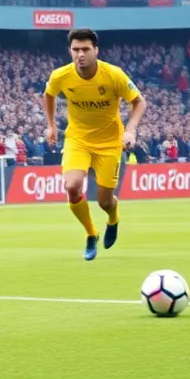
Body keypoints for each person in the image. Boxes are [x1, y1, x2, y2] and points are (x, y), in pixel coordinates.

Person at [43, 28, 147, 261]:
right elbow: (48, 95)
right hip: (77, 139)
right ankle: (91, 234)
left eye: (85, 49)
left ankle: (113, 219)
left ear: (96, 51)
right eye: (75, 49)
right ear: (70, 51)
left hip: (110, 142)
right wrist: (51, 125)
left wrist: (130, 130)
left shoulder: (113, 75)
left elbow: (139, 102)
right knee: (72, 186)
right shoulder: (61, 75)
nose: (80, 54)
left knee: (105, 201)